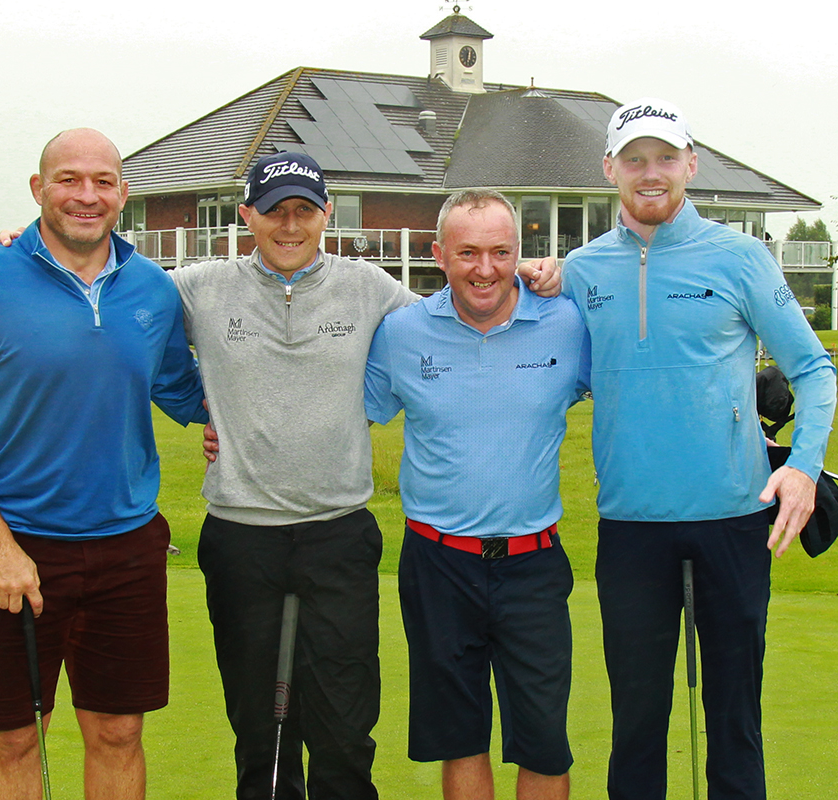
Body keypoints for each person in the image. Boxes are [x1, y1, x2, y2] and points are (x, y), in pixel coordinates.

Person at [171, 155, 562, 800]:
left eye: (304, 210)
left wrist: (522, 271)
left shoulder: (370, 288)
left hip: (339, 533)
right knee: (259, 731)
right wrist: (199, 407)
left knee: (345, 728)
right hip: (241, 534)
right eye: (274, 211)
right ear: (247, 216)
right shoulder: (199, 287)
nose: (290, 225)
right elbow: (120, 299)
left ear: (326, 215)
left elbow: (455, 309)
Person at [0, 128, 207, 800]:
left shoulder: (151, 289)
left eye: (102, 181)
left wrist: (246, 416)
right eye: (68, 178)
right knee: (16, 737)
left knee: (119, 732)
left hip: (126, 545)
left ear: (123, 193)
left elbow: (180, 389)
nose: (86, 195)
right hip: (15, 545)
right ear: (37, 189)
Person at [562, 99, 837, 800]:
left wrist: (803, 470)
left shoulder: (740, 257)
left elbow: (813, 368)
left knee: (735, 724)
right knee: (635, 729)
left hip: (733, 521)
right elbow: (564, 374)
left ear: (690, 164)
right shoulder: (583, 270)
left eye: (664, 157)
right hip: (631, 527)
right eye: (634, 159)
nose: (650, 172)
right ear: (609, 170)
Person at [363, 190, 589, 800]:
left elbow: (635, 388)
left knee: (544, 742)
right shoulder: (401, 333)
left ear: (521, 252)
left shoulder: (568, 323)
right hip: (437, 564)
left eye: (500, 252)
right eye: (467, 253)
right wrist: (231, 427)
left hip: (533, 564)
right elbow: (346, 416)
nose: (485, 269)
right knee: (460, 740)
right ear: (439, 254)